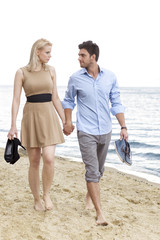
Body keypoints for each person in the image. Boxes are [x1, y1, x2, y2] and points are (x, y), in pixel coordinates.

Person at [62, 40, 128, 226]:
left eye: (82, 55)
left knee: (99, 170)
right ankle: (100, 214)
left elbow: (116, 102)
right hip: (86, 131)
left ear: (93, 57)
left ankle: (89, 196)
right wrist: (67, 121)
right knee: (92, 171)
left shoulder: (110, 77)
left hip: (105, 130)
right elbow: (68, 101)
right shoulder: (76, 78)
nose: (79, 58)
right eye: (79, 55)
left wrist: (123, 127)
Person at [7, 38, 65, 211]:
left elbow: (55, 97)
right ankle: (36, 198)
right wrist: (12, 125)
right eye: (47, 52)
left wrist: (65, 120)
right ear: (37, 52)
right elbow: (16, 100)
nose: (50, 56)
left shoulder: (52, 71)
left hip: (48, 116)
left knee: (48, 158)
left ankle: (47, 195)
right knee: (34, 161)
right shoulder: (21, 72)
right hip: (31, 116)